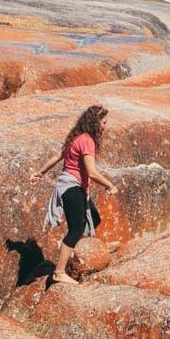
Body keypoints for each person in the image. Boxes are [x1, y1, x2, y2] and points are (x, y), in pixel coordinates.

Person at [34, 104, 115, 286]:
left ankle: (70, 252)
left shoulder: (76, 138)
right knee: (76, 229)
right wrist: (110, 185)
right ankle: (59, 272)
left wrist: (40, 172)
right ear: (95, 123)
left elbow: (57, 156)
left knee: (92, 218)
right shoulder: (87, 140)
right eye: (103, 122)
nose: (105, 126)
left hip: (69, 185)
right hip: (72, 186)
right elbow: (92, 172)